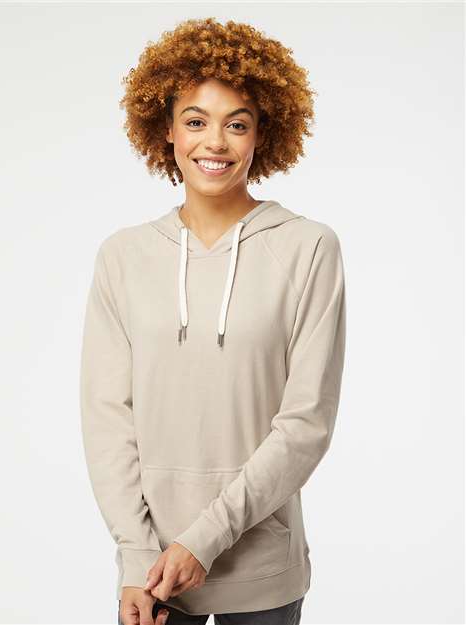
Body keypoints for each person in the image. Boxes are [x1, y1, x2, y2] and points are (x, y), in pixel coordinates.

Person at [80, 17, 346, 625]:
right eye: (196, 121)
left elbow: (307, 422)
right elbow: (107, 419)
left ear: (262, 134)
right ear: (167, 130)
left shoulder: (308, 248)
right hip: (152, 572)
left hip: (262, 571)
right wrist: (136, 554)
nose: (215, 142)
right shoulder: (123, 256)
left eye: (237, 123)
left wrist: (203, 539)